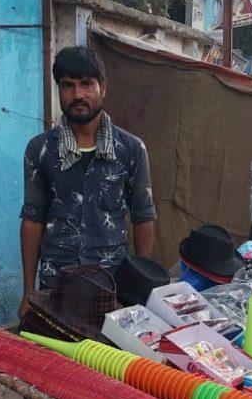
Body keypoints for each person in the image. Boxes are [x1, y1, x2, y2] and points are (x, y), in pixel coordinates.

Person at [20, 46, 157, 317]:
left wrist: (142, 286)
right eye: (68, 85)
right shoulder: (40, 150)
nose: (78, 94)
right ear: (59, 89)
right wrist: (27, 292)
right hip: (54, 287)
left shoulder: (131, 149)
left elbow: (143, 217)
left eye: (86, 84)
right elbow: (32, 219)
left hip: (111, 289)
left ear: (102, 87)